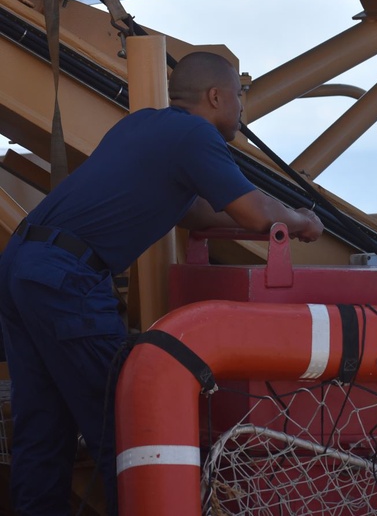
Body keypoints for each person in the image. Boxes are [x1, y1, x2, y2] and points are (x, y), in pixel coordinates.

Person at [0, 51, 324, 515]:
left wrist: (253, 212)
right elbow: (253, 211)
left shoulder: (142, 126)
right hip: (66, 278)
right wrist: (300, 220)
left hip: (22, 264)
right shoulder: (196, 135)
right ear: (216, 96)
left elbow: (192, 210)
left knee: (42, 430)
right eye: (239, 97)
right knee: (124, 426)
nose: (242, 110)